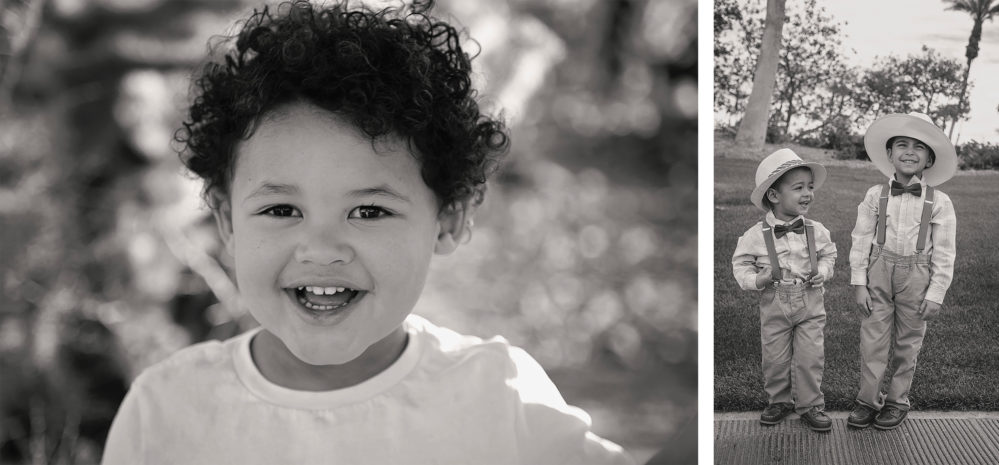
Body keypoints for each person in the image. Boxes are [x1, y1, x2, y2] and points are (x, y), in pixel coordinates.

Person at [101, 2, 632, 464]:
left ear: (449, 219)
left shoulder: (500, 395)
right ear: (226, 220)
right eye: (282, 209)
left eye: (369, 212)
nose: (322, 249)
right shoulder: (165, 412)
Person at [846, 112, 957, 431]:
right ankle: (867, 401)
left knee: (909, 342)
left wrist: (936, 293)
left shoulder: (941, 202)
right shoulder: (873, 196)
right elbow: (860, 238)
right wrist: (859, 283)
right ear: (890, 153)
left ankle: (897, 401)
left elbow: (946, 252)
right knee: (873, 340)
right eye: (902, 145)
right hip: (878, 271)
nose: (910, 151)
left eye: (919, 147)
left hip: (918, 277)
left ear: (929, 159)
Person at [732, 148, 838, 432]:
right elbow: (740, 265)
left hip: (810, 302)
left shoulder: (818, 230)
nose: (808, 194)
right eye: (799, 188)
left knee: (810, 357)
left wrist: (823, 272)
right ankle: (778, 400)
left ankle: (811, 405)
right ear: (775, 196)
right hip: (775, 302)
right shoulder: (755, 237)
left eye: (810, 187)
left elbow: (829, 255)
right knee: (775, 357)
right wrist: (757, 279)